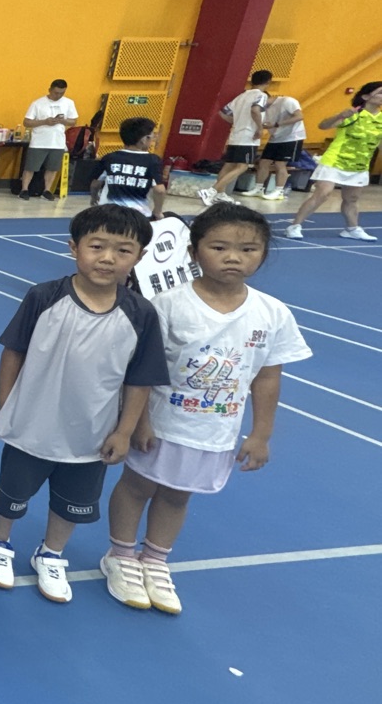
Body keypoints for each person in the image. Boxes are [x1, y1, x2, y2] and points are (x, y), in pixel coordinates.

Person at [101, 204, 311, 616]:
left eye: (248, 249)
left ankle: (155, 560)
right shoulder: (166, 305)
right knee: (137, 487)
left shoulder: (272, 314)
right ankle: (121, 555)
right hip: (160, 425)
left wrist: (261, 434)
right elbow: (140, 369)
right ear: (194, 252)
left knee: (178, 496)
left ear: (263, 254)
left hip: (214, 432)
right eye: (219, 247)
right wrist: (139, 422)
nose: (234, 257)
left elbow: (267, 378)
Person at [0, 205, 171, 603]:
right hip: (31, 424)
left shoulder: (141, 314)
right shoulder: (44, 296)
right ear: (73, 248)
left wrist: (125, 430)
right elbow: (13, 352)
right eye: (97, 246)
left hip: (92, 434)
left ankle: (51, 553)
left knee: (72, 504)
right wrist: (6, 404)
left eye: (122, 250)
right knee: (12, 494)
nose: (107, 258)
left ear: (139, 256)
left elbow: (140, 380)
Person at [283, 81, 382, 241]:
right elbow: (323, 125)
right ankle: (294, 226)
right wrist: (340, 116)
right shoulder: (353, 114)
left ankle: (352, 229)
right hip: (334, 160)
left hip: (359, 164)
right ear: (366, 96)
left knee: (352, 199)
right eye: (380, 93)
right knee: (323, 193)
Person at [204, 69, 274, 206]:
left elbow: (223, 113)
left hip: (235, 135)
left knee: (229, 165)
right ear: (268, 82)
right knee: (243, 166)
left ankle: (220, 194)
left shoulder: (241, 96)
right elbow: (255, 110)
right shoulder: (261, 95)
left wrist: (238, 122)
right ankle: (212, 191)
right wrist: (260, 128)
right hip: (248, 137)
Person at [91, 117, 167, 218]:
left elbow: (95, 184)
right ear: (144, 140)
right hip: (137, 216)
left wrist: (94, 198)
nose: (153, 138)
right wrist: (158, 211)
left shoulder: (109, 158)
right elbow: (159, 190)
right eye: (152, 136)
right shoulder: (152, 160)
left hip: (108, 213)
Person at [19, 79, 81, 200]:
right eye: (56, 93)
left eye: (61, 93)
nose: (58, 96)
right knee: (31, 167)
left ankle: (47, 190)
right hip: (39, 142)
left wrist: (63, 120)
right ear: (50, 90)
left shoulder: (69, 103)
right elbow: (26, 122)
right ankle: (24, 189)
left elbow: (73, 121)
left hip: (57, 142)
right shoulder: (38, 103)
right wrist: (44, 122)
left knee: (53, 167)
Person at [251, 90, 305, 201]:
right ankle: (258, 188)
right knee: (263, 162)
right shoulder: (262, 110)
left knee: (280, 164)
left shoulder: (287, 101)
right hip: (275, 138)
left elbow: (299, 116)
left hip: (291, 137)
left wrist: (276, 124)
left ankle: (279, 191)